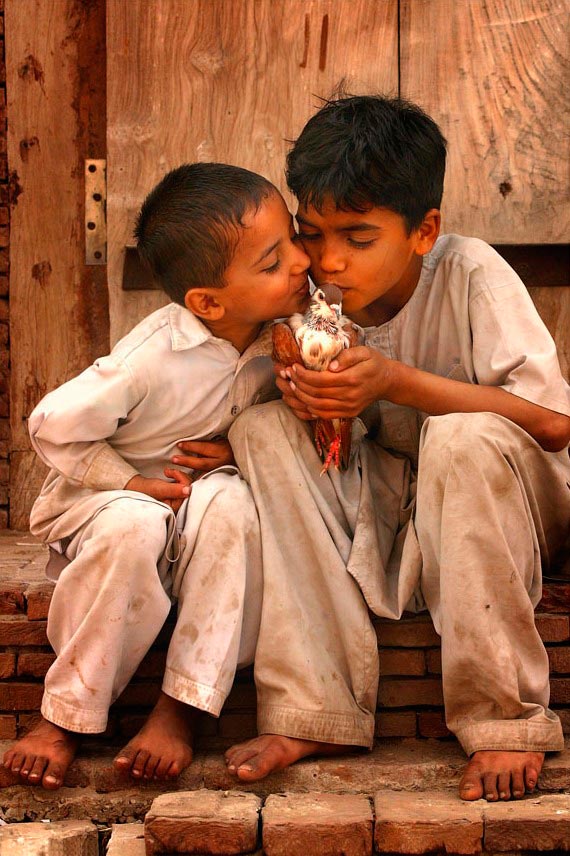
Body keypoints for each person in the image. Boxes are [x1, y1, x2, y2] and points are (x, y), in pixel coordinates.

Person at [224, 95, 570, 802]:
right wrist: (312, 405)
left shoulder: (470, 273)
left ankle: (504, 719)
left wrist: (396, 383)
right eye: (313, 235)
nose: (329, 261)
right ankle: (316, 706)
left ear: (424, 231)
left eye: (357, 238)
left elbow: (553, 425)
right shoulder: (309, 301)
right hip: (396, 514)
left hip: (509, 509)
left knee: (462, 435)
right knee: (259, 430)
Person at [2, 162, 311, 790]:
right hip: (114, 510)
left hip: (199, 511)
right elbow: (51, 424)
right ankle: (64, 717)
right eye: (275, 262)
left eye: (295, 242)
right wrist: (128, 481)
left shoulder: (287, 336)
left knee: (232, 502)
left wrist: (235, 449)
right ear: (208, 302)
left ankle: (182, 706)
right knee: (137, 525)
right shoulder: (150, 358)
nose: (303, 263)